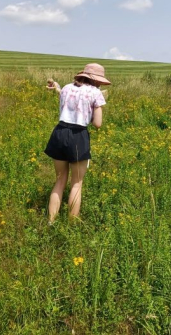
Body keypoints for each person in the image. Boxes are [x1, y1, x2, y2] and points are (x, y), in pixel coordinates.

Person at [44, 63, 111, 224]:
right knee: (76, 183)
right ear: (96, 80)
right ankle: (72, 224)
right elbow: (98, 123)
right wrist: (98, 105)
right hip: (78, 136)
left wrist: (57, 87)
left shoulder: (67, 88)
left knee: (60, 180)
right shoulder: (96, 93)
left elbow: (63, 95)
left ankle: (51, 221)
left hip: (59, 133)